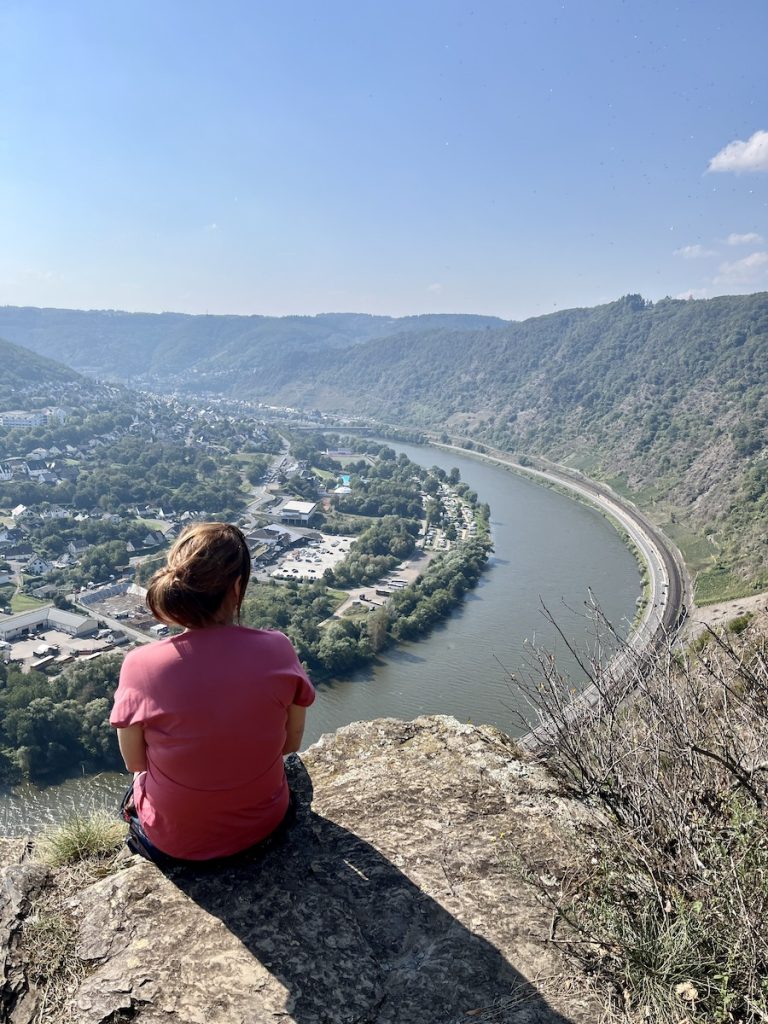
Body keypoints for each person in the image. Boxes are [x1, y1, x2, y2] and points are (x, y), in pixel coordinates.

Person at [110, 522, 315, 864]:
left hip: (175, 846)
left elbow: (136, 763)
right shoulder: (278, 649)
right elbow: (290, 746)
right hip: (266, 825)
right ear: (237, 587)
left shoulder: (140, 664)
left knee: (137, 789)